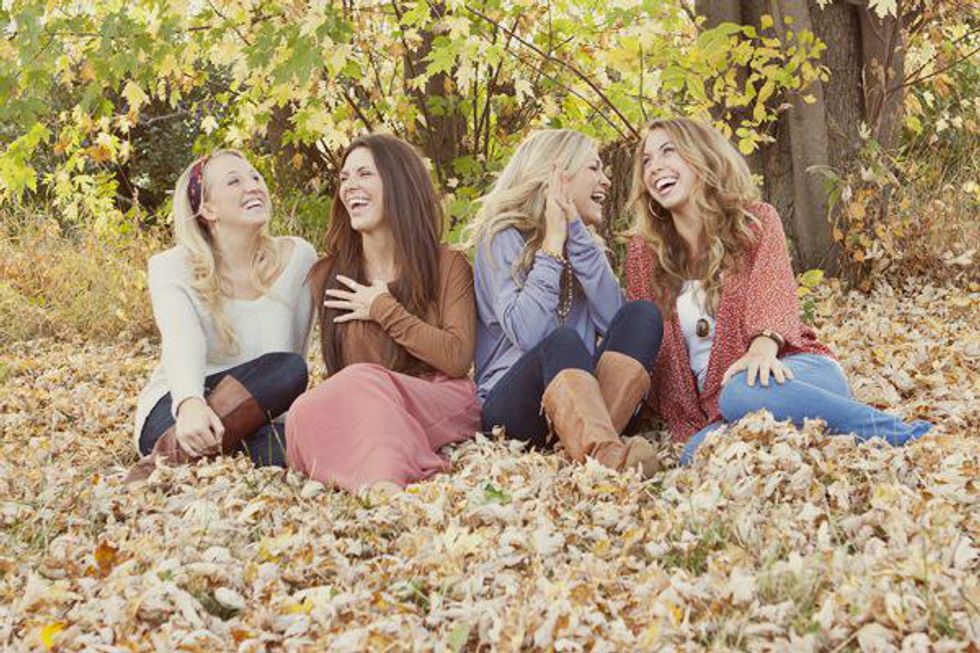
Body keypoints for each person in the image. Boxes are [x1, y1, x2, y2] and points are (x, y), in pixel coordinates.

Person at [624, 117, 933, 465]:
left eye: (668, 151)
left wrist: (762, 349)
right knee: (694, 454)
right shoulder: (644, 253)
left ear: (703, 156)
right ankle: (805, 423)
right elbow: (641, 333)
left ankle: (905, 435)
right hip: (719, 409)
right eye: (646, 160)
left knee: (739, 391)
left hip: (791, 370)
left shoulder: (753, 222)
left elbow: (773, 291)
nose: (655, 166)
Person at [285, 134, 480, 494]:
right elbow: (341, 374)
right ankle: (367, 467)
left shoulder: (447, 265)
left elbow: (456, 359)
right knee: (302, 411)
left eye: (364, 174)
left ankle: (382, 487)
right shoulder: (328, 275)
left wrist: (382, 309)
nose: (350, 186)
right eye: (344, 177)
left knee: (363, 381)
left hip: (435, 399)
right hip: (366, 405)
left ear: (399, 183)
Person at [469, 129, 664, 477]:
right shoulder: (501, 236)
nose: (606, 180)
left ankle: (588, 446)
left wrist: (575, 235)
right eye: (594, 168)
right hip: (516, 408)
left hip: (585, 401)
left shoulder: (585, 245)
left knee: (642, 315)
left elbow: (615, 321)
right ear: (558, 175)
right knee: (562, 341)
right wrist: (552, 245)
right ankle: (603, 455)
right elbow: (527, 333)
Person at [127, 150, 315, 483]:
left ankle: (185, 458)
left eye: (255, 177)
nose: (253, 186)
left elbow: (302, 344)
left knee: (288, 372)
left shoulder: (298, 257)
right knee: (288, 377)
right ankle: (172, 450)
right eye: (234, 181)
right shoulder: (172, 266)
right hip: (176, 408)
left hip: (264, 404)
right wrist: (190, 403)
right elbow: (182, 339)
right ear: (208, 209)